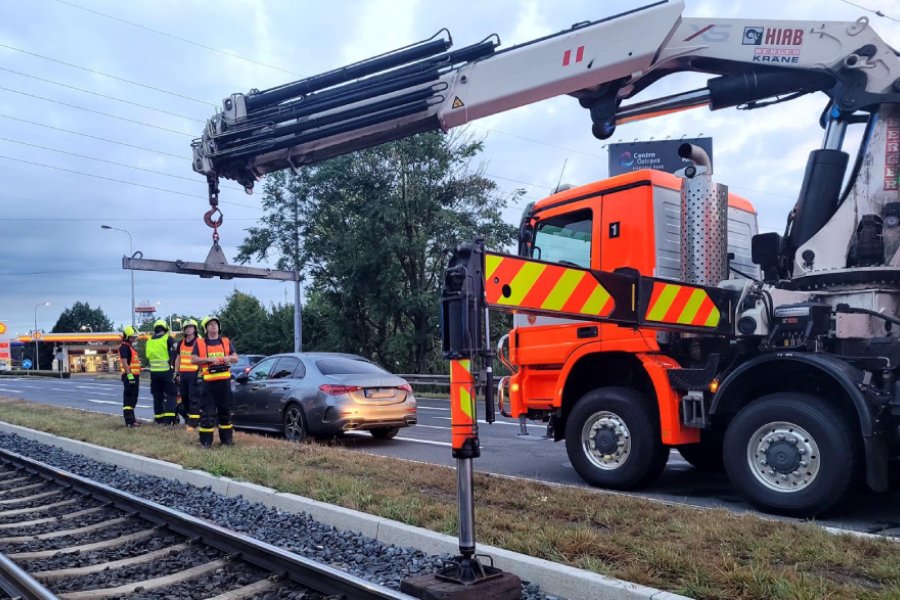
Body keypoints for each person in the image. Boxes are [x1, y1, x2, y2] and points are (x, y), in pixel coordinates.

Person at [192, 315, 238, 448]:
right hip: (208, 384)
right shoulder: (200, 343)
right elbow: (193, 360)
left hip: (224, 383)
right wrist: (208, 360)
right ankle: (206, 442)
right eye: (210, 324)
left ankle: (227, 441)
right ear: (206, 328)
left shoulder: (225, 341)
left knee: (225, 412)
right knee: (207, 414)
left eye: (215, 324)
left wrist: (229, 358)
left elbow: (236, 358)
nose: (213, 326)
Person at [145, 319, 179, 425]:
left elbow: (147, 355)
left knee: (157, 396)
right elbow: (177, 350)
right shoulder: (168, 338)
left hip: (154, 372)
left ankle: (159, 419)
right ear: (165, 328)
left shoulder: (149, 340)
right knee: (171, 394)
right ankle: (169, 420)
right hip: (166, 371)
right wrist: (171, 358)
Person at [175, 318, 201, 430]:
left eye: (191, 327)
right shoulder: (181, 343)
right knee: (184, 398)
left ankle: (194, 423)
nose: (189, 329)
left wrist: (200, 372)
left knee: (193, 398)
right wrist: (176, 373)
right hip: (183, 374)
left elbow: (202, 358)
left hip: (194, 374)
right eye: (186, 327)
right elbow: (178, 359)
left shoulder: (199, 342)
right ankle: (188, 418)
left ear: (195, 329)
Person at [119, 326, 142, 428]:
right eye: (132, 337)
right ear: (127, 336)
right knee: (129, 398)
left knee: (133, 398)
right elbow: (124, 362)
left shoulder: (130, 346)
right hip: (130, 376)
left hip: (134, 375)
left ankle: (132, 419)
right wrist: (130, 376)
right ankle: (130, 421)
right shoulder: (124, 347)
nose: (134, 338)